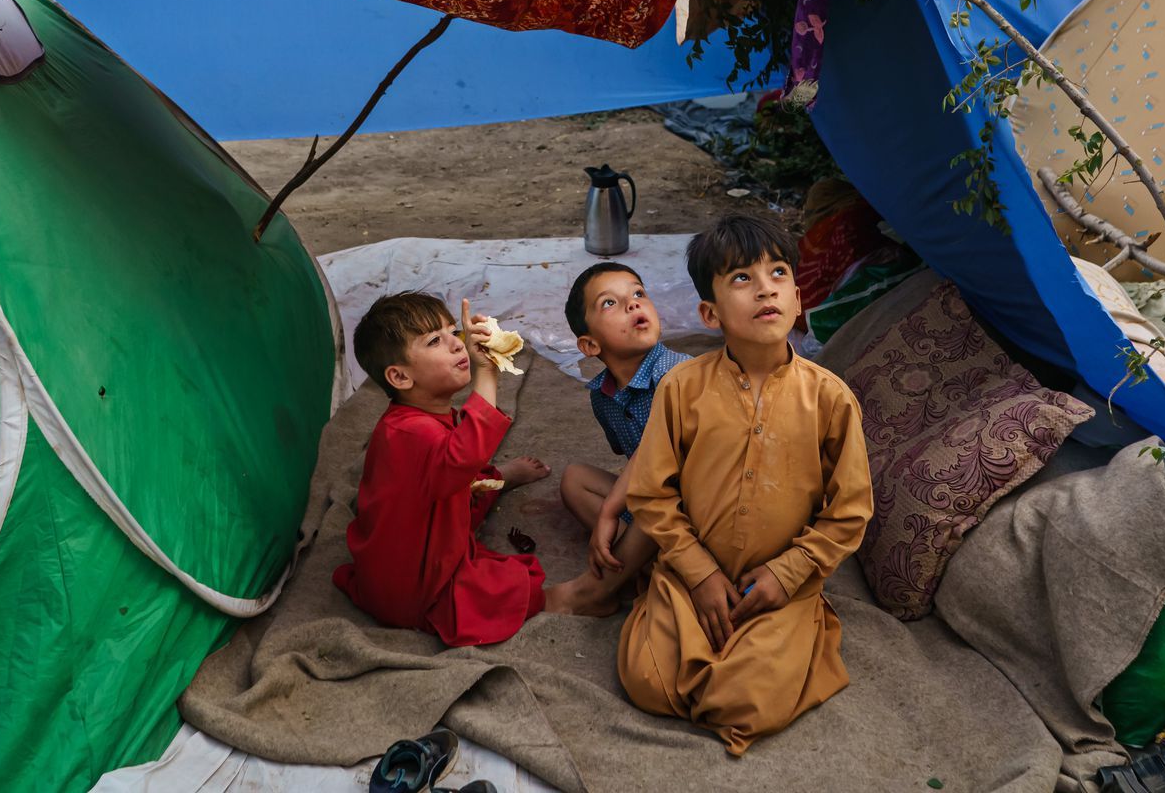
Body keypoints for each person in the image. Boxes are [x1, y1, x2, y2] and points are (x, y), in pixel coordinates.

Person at [616, 215, 873, 755]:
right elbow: (650, 494)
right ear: (709, 314)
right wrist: (698, 571)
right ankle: (670, 609)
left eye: (778, 273)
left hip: (779, 587)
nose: (764, 288)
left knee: (747, 705)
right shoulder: (681, 389)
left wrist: (790, 572)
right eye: (741, 278)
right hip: (693, 575)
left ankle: (790, 632)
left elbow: (849, 511)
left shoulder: (830, 399)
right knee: (648, 682)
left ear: (798, 300)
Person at [335, 291, 587, 646]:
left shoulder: (426, 417)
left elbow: (462, 462)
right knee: (509, 587)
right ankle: (561, 600)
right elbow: (465, 456)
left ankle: (502, 477)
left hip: (434, 512)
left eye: (454, 332)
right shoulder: (409, 431)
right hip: (414, 589)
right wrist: (486, 372)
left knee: (473, 480)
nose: (458, 345)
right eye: (436, 341)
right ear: (401, 377)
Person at [551, 262, 688, 615]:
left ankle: (596, 590)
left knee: (654, 499)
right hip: (657, 514)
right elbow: (633, 462)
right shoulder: (602, 397)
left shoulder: (680, 375)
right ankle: (647, 567)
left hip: (703, 508)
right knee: (574, 479)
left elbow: (663, 458)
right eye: (610, 303)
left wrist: (613, 508)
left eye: (639, 293)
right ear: (590, 344)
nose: (633, 304)